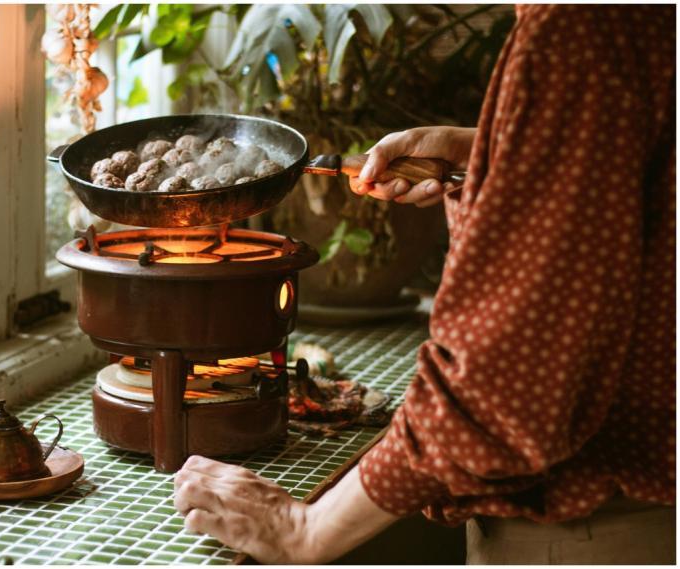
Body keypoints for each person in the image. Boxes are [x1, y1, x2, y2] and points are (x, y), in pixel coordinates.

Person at [173, 5, 675, 564]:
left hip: (606, 532)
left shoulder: (583, 27)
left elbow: (505, 381)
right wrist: (491, 156)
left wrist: (305, 528)